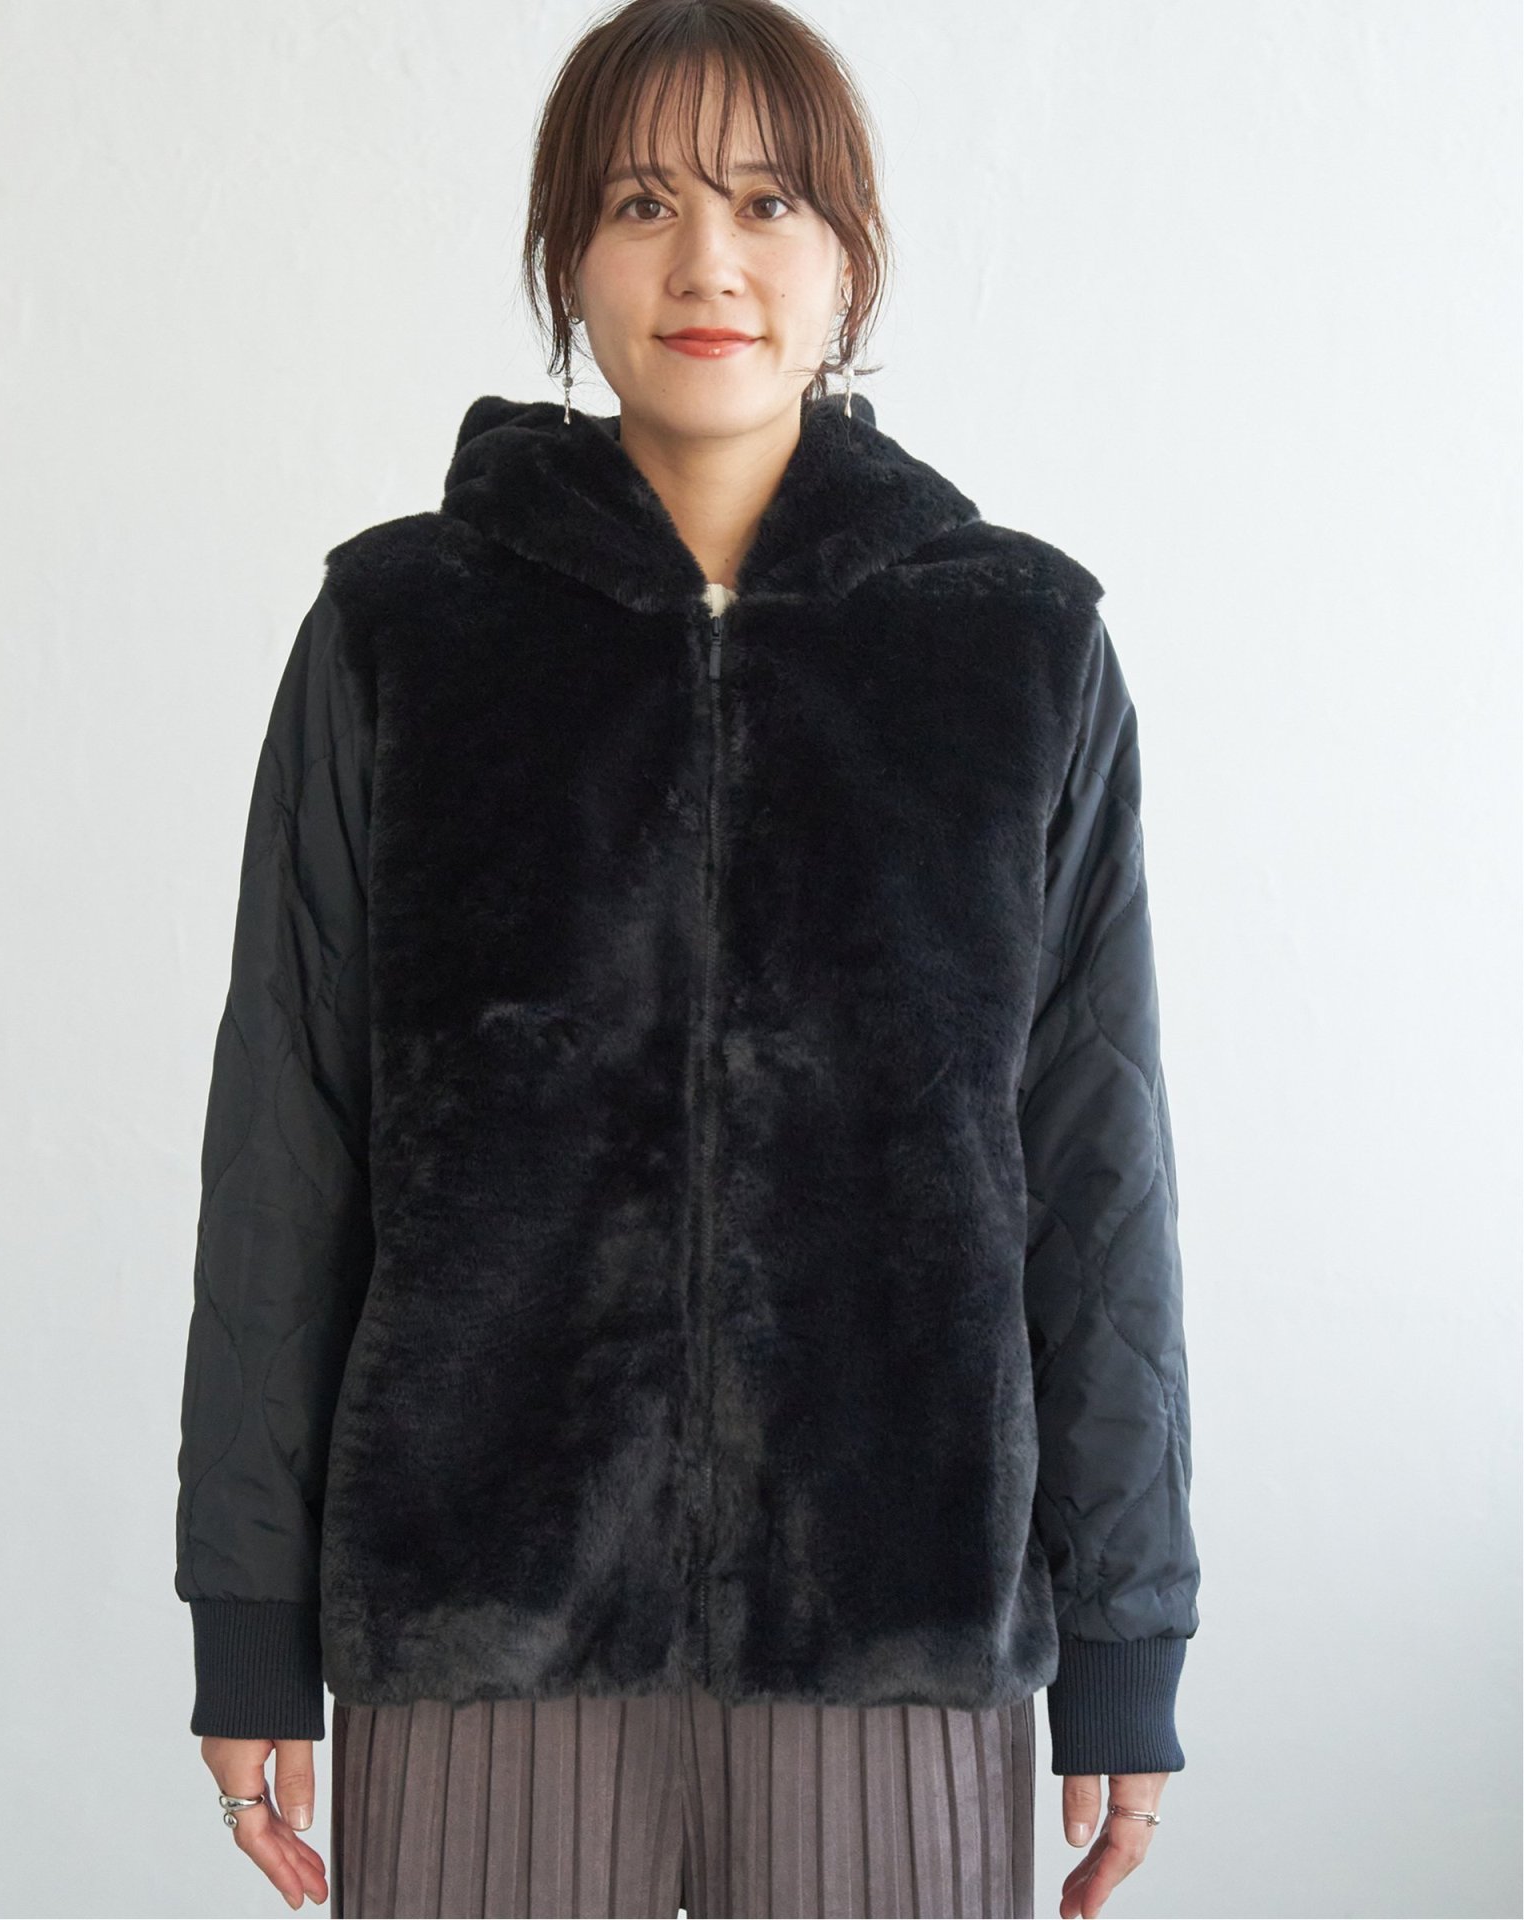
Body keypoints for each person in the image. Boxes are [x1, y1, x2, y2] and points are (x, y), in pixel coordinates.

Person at [173, 3, 1200, 1915]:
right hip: (479, 1631)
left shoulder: (1019, 652)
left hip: (895, 1634)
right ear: (566, 256)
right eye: (642, 202)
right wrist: (248, 1614)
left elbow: (1097, 1170)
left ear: (850, 257)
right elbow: (285, 1141)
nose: (707, 261)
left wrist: (1128, 1637)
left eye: (767, 200)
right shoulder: (400, 634)